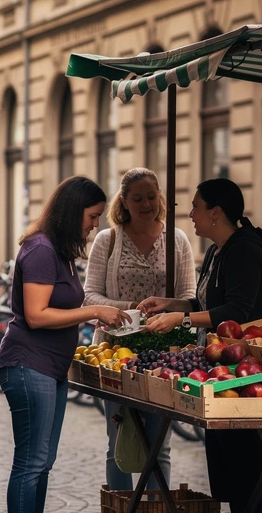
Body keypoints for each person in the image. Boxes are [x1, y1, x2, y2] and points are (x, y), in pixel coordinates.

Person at [0, 176, 128, 513]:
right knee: (31, 461)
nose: (95, 224)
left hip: (50, 367)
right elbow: (37, 315)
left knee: (43, 462)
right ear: (73, 212)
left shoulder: (60, 251)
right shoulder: (40, 250)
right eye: (91, 216)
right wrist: (94, 313)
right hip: (27, 364)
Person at [141, 178, 262, 513]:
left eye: (196, 207)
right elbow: (206, 303)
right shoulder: (217, 251)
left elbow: (236, 312)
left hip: (247, 372)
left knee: (251, 469)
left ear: (215, 213)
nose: (190, 214)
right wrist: (171, 304)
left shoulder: (245, 251)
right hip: (221, 369)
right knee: (230, 465)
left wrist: (182, 319)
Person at [84, 168, 197, 491]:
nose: (146, 204)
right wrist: (130, 308)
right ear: (124, 201)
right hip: (115, 354)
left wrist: (168, 308)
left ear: (160, 197)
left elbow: (190, 298)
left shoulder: (177, 239)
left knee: (160, 446)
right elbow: (90, 296)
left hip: (165, 355)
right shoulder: (107, 240)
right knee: (119, 443)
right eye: (137, 199)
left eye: (151, 197)